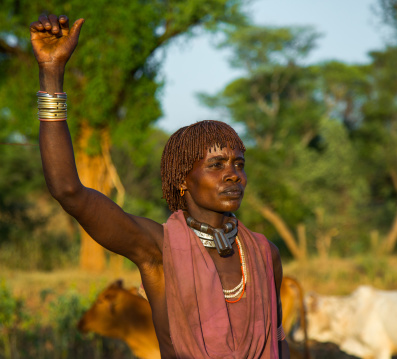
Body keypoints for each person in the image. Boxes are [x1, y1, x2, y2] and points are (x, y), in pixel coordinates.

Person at [30, 14, 290, 359]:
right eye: (216, 165)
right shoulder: (159, 250)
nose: (233, 175)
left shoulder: (263, 254)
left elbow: (278, 343)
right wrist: (51, 71)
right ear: (183, 179)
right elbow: (68, 190)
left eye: (239, 164)